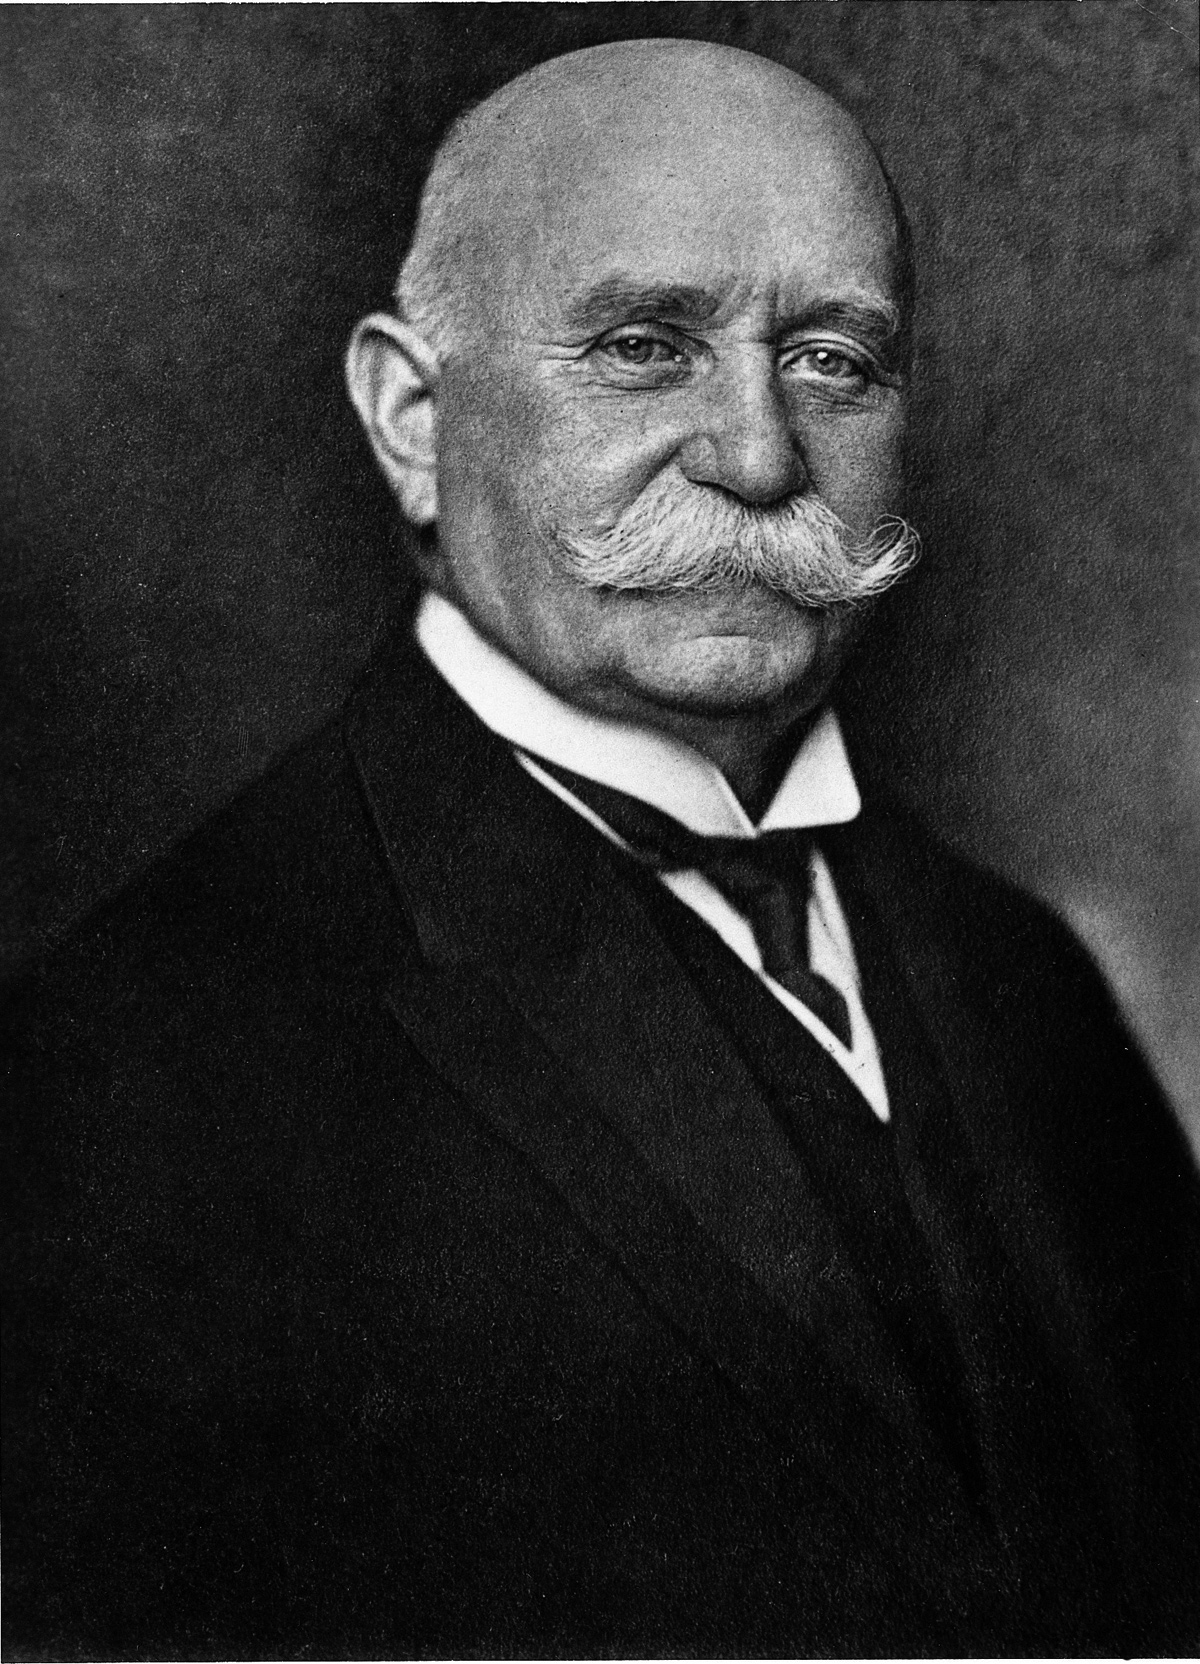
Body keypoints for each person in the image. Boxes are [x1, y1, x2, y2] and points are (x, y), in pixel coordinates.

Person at [4, 37, 1199, 1658]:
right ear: (411, 419)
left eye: (834, 361)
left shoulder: (1021, 976)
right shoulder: (127, 1066)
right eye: (645, 347)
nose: (759, 455)